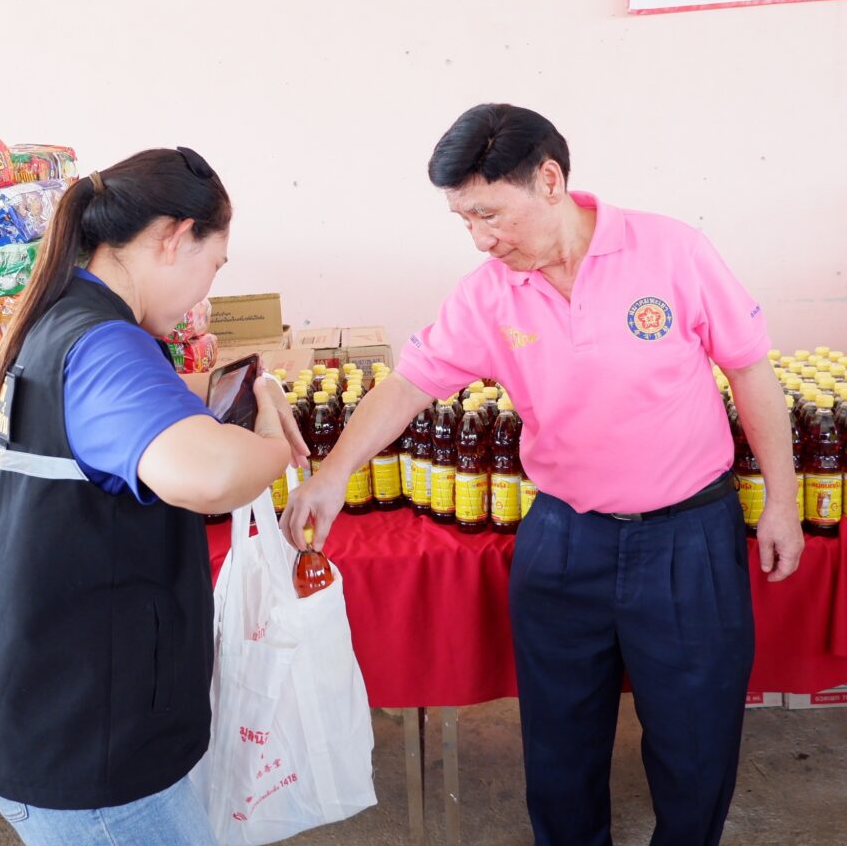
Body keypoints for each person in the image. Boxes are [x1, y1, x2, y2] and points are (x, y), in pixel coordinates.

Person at [282, 104, 804, 846]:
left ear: (550, 180)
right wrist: (334, 473)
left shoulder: (672, 252)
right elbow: (406, 386)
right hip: (564, 538)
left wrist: (783, 499)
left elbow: (750, 370)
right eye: (464, 219)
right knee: (559, 747)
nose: (480, 238)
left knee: (695, 744)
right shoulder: (488, 294)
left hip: (687, 536)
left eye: (490, 213)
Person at [0, 147, 308, 846]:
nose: (205, 291)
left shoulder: (64, 319)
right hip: (90, 752)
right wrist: (275, 445)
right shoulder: (103, 343)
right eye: (215, 265)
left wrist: (255, 388)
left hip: (61, 717)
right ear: (175, 237)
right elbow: (211, 475)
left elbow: (148, 415)